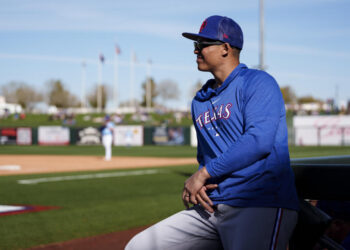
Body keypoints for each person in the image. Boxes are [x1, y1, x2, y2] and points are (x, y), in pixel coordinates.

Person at [125, 15, 299, 250]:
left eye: (202, 45)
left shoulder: (258, 82)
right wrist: (200, 178)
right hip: (211, 207)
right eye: (195, 46)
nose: (196, 51)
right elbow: (206, 155)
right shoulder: (200, 100)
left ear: (225, 48)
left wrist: (204, 173)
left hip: (258, 201)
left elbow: (259, 141)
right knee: (140, 246)